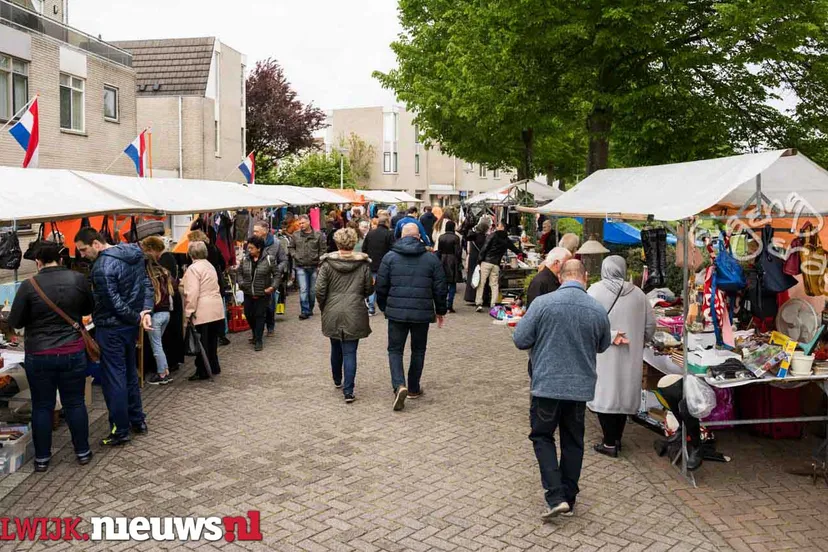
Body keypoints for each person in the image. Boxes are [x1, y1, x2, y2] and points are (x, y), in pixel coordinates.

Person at [512, 260, 612, 520]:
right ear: (585, 277)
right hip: (579, 388)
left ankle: (555, 495)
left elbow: (520, 339)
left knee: (542, 436)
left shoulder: (543, 304)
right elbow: (603, 345)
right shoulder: (597, 309)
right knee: (573, 440)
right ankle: (569, 497)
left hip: (547, 384)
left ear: (560, 276)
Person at [9, 242, 94, 472]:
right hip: (72, 350)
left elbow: (15, 321)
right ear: (61, 259)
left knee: (42, 406)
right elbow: (88, 309)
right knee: (75, 402)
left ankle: (42, 459)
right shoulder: (78, 279)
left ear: (38, 262)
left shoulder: (29, 285)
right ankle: (83, 451)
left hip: (39, 353)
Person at [74, 228, 154, 446]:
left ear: (96, 244)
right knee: (129, 373)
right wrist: (144, 312)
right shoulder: (133, 253)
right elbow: (147, 284)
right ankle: (137, 420)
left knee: (114, 378)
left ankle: (120, 429)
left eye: (83, 249)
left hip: (112, 328)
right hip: (128, 327)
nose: (81, 255)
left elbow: (113, 302)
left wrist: (136, 317)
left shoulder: (101, 266)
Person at [588, 256, 656, 457]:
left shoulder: (594, 291)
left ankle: (609, 442)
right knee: (623, 393)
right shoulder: (639, 294)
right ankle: (616, 438)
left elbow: (587, 322)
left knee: (605, 393)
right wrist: (638, 339)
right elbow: (651, 326)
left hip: (603, 352)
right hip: (630, 353)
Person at [376, 223, 447, 411]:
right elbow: (441, 287)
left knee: (395, 350)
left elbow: (381, 286)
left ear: (400, 236)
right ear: (419, 237)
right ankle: (414, 388)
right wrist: (441, 310)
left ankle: (399, 385)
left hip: (396, 313)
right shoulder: (431, 259)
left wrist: (385, 307)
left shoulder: (390, 257)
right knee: (418, 350)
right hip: (422, 312)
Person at [316, 228, 374, 403]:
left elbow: (319, 289)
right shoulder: (363, 265)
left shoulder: (326, 264)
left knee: (335, 346)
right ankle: (348, 391)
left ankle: (337, 379)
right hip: (355, 310)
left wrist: (323, 306)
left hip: (332, 309)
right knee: (350, 352)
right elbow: (368, 289)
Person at [181, 241, 225, 379]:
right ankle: (214, 366)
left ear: (190, 254)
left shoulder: (193, 269)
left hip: (203, 310)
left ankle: (203, 370)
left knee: (201, 342)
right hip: (216, 308)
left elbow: (192, 293)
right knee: (212, 341)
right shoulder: (209, 265)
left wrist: (188, 312)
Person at [141, 236, 175, 386]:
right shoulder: (165, 272)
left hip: (156, 314)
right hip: (167, 313)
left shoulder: (148, 275)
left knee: (156, 346)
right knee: (158, 344)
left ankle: (162, 374)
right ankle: (165, 371)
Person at [238, 236, 280, 351]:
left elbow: (277, 275)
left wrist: (272, 287)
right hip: (248, 292)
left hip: (262, 293)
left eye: (251, 248)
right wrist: (241, 283)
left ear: (259, 248)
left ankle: (258, 340)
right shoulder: (245, 259)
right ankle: (255, 333)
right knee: (248, 314)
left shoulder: (269, 259)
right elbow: (239, 273)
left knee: (259, 316)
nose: (249, 250)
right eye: (248, 248)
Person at [188, 230, 229, 346]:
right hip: (216, 284)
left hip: (203, 305)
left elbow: (193, 292)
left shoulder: (195, 265)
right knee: (213, 329)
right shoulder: (213, 250)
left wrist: (188, 313)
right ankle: (222, 335)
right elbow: (223, 263)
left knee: (204, 339)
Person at [475, 221, 522, 312]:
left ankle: (479, 303)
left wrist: (479, 260)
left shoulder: (492, 235)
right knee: (494, 284)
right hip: (496, 263)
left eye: (499, 225)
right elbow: (514, 248)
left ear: (502, 227)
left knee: (481, 283)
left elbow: (485, 248)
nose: (497, 226)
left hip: (487, 262)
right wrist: (522, 254)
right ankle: (494, 303)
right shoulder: (506, 239)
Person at [252, 221, 288, 337]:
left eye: (256, 231)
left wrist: (277, 269)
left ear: (265, 231)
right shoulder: (252, 243)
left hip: (270, 278)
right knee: (256, 306)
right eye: (254, 231)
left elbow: (283, 259)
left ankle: (270, 326)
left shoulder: (276, 243)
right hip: (256, 277)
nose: (254, 233)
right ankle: (258, 330)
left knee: (269, 305)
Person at [289, 214, 327, 320]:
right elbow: (291, 247)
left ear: (309, 222)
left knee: (312, 290)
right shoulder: (296, 235)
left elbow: (323, 249)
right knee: (304, 289)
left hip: (314, 265)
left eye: (303, 223)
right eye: (299, 223)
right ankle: (304, 310)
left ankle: (310, 307)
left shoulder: (318, 235)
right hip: (300, 265)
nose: (301, 225)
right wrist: (294, 255)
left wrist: (320, 260)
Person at [361, 214, 394, 315]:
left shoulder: (370, 234)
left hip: (372, 263)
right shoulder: (389, 234)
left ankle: (371, 307)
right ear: (387, 223)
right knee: (387, 285)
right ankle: (386, 306)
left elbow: (364, 248)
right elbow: (393, 249)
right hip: (385, 264)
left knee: (372, 286)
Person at [436, 221, 463, 313]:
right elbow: (458, 252)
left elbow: (439, 251)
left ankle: (442, 304)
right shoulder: (456, 238)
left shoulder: (441, 237)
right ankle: (449, 305)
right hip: (452, 261)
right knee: (452, 284)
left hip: (443, 260)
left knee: (443, 284)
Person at [463, 217, 491, 305]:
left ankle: (470, 296)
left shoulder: (473, 236)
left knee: (472, 276)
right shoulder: (486, 238)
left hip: (473, 258)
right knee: (482, 278)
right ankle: (483, 297)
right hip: (482, 259)